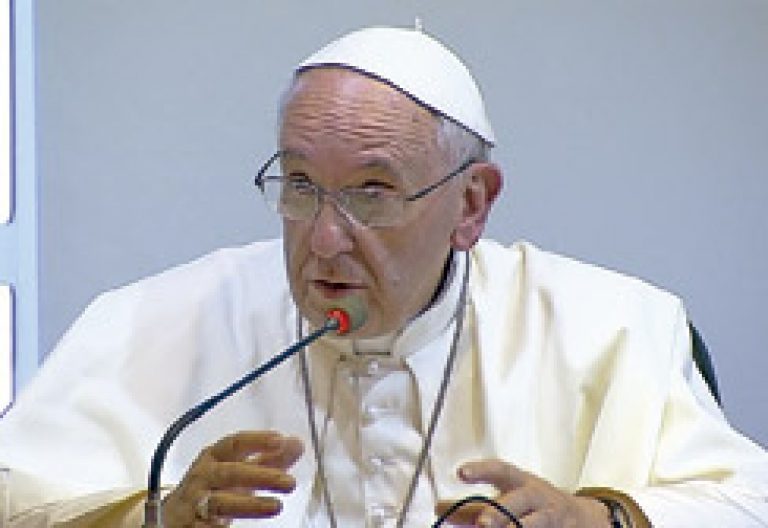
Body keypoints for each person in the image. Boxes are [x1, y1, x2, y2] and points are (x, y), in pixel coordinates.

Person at [1, 25, 767, 528]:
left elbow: (744, 502)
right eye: (300, 186)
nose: (326, 238)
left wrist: (603, 520)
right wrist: (154, 517)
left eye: (373, 193)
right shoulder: (154, 323)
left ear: (473, 204)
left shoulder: (611, 327)